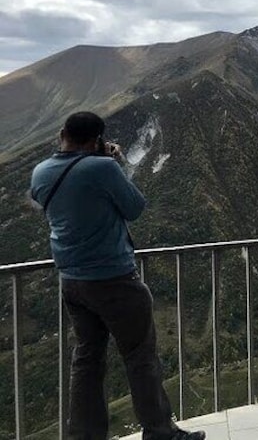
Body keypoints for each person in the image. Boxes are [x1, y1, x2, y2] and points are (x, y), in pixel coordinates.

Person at [30, 112, 204, 440]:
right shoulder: (103, 167)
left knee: (87, 359)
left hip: (70, 280)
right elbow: (135, 207)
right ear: (97, 139)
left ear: (61, 133)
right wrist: (111, 162)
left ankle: (84, 436)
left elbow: (73, 204)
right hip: (113, 278)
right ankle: (159, 432)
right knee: (140, 357)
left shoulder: (40, 172)